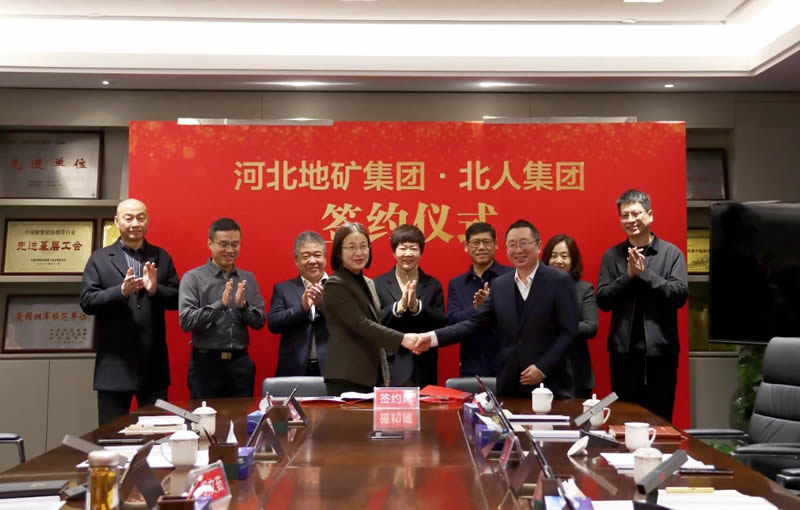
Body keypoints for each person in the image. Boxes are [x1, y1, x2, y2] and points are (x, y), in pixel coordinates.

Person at [430, 220, 578, 397]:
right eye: (512, 245)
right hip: (509, 384)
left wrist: (542, 367)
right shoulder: (500, 285)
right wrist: (430, 338)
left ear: (538, 246)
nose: (518, 250)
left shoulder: (559, 281)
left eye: (523, 243)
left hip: (550, 383)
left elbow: (568, 332)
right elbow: (474, 323)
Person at [80, 199, 180, 425]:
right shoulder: (100, 258)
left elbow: (178, 299)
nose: (135, 223)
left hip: (153, 364)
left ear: (148, 220)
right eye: (129, 218)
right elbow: (87, 302)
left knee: (156, 432)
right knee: (111, 434)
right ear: (117, 221)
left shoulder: (161, 256)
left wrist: (155, 290)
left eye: (140, 218)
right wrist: (120, 292)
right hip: (114, 365)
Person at [597, 189, 688, 421]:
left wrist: (644, 274)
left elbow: (679, 295)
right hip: (623, 354)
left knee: (660, 418)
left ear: (650, 215)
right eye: (625, 215)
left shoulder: (671, 253)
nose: (630, 220)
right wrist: (628, 275)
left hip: (661, 353)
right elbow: (603, 300)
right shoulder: (611, 256)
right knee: (624, 418)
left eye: (636, 213)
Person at [321, 222, 430, 395]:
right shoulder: (335, 284)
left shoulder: (369, 283)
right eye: (351, 247)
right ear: (339, 252)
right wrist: (404, 339)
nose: (359, 252)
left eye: (363, 246)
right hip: (346, 376)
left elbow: (376, 325)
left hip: (371, 375)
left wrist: (384, 372)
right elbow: (361, 325)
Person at [179, 218, 266, 399]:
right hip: (205, 365)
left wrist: (243, 307)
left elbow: (259, 322)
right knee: (204, 416)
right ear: (210, 244)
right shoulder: (193, 278)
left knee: (242, 415)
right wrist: (220, 305)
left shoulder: (247, 278)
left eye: (235, 244)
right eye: (223, 244)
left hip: (240, 364)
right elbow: (186, 321)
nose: (230, 250)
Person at [374, 225, 446, 387]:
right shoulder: (378, 284)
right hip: (391, 363)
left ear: (421, 252)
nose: (408, 254)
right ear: (394, 252)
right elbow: (373, 323)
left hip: (424, 364)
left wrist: (417, 307)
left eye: (413, 248)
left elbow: (441, 322)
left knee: (425, 404)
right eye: (403, 248)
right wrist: (397, 308)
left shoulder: (433, 284)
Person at [446, 222, 513, 377]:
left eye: (486, 242)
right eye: (476, 243)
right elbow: (453, 320)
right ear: (466, 246)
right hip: (471, 362)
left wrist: (491, 305)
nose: (481, 247)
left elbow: (520, 317)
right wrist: (477, 308)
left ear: (496, 244)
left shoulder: (511, 276)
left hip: (507, 362)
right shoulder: (457, 283)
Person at [541, 234, 599, 398]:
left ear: (573, 260)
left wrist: (559, 324)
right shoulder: (535, 288)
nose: (558, 261)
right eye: (553, 256)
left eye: (564, 256)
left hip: (575, 372)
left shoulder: (584, 289)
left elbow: (591, 326)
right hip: (541, 371)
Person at [267, 231, 329, 377]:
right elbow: (273, 323)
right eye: (306, 256)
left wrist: (322, 306)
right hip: (294, 371)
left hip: (333, 370)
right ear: (296, 260)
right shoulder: (283, 289)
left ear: (325, 257)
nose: (312, 261)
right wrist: (302, 309)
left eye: (317, 255)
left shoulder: (340, 287)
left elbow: (349, 321)